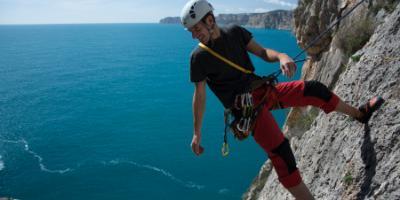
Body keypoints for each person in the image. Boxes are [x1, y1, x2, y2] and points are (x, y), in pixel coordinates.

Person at [180, 0, 384, 199]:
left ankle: (360, 114)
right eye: (191, 31)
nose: (193, 35)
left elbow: (262, 52)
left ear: (209, 20)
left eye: (196, 29)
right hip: (248, 111)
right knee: (282, 154)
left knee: (314, 90)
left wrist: (281, 56)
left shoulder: (235, 32)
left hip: (263, 91)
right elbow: (200, 95)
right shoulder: (199, 57)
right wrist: (196, 133)